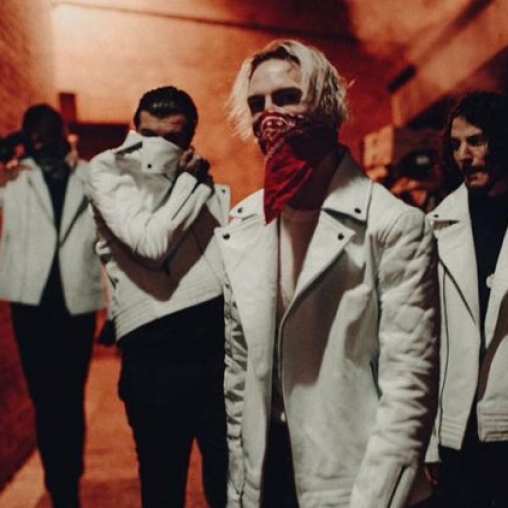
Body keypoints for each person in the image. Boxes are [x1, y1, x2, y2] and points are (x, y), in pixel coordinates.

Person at [217, 39, 440, 508]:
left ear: (325, 104)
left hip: (351, 478)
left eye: (287, 97)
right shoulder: (246, 224)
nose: (270, 116)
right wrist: (240, 491)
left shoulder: (393, 225)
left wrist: (372, 500)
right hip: (269, 475)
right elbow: (240, 379)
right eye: (257, 104)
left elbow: (409, 394)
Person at [86, 86, 229, 508]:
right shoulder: (108, 169)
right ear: (135, 130)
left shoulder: (195, 180)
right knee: (162, 485)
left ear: (189, 139)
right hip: (155, 355)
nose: (157, 148)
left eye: (171, 138)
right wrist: (190, 183)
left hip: (215, 348)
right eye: (148, 135)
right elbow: (150, 244)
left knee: (228, 483)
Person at [0, 104, 105, 508]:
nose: (41, 138)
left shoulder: (90, 174)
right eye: (33, 132)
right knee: (45, 400)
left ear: (63, 131)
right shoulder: (14, 176)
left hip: (76, 304)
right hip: (30, 305)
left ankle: (69, 484)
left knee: (70, 398)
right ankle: (60, 488)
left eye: (47, 130)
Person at [425, 91, 508, 507]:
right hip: (457, 434)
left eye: (476, 141)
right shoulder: (435, 228)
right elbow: (424, 343)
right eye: (456, 144)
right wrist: (428, 439)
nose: (464, 155)